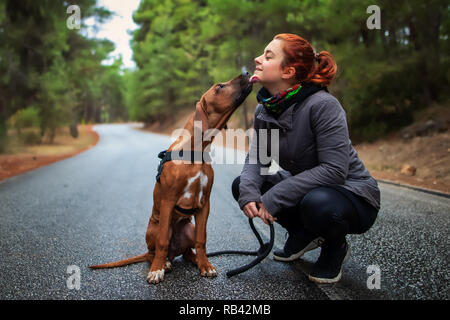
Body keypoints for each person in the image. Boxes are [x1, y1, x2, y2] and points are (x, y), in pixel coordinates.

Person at [231, 33, 381, 284]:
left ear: (288, 71)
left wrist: (275, 197)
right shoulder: (265, 109)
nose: (258, 59)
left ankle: (335, 247)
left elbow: (334, 171)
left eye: (268, 56)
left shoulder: (323, 105)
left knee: (317, 203)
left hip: (351, 194)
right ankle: (302, 234)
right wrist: (248, 192)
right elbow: (259, 158)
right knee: (243, 184)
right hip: (308, 188)